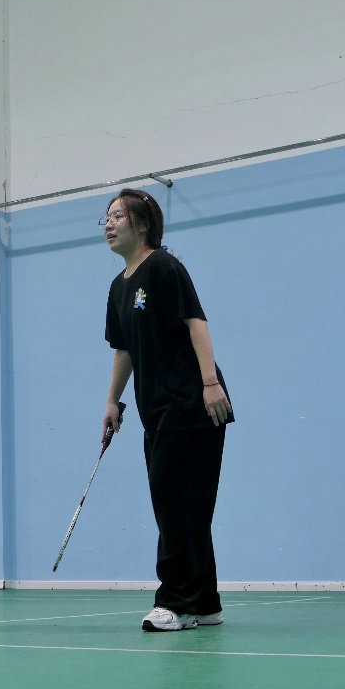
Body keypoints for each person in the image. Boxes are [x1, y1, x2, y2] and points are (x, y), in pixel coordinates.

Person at [100, 188, 233, 632]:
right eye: (106, 217)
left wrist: (209, 383)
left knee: (175, 505)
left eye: (118, 216)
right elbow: (124, 349)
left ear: (142, 224)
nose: (109, 223)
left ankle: (174, 602)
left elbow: (196, 322)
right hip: (155, 410)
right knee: (184, 507)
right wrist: (112, 401)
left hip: (192, 404)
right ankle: (205, 603)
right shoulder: (118, 288)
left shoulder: (163, 267)